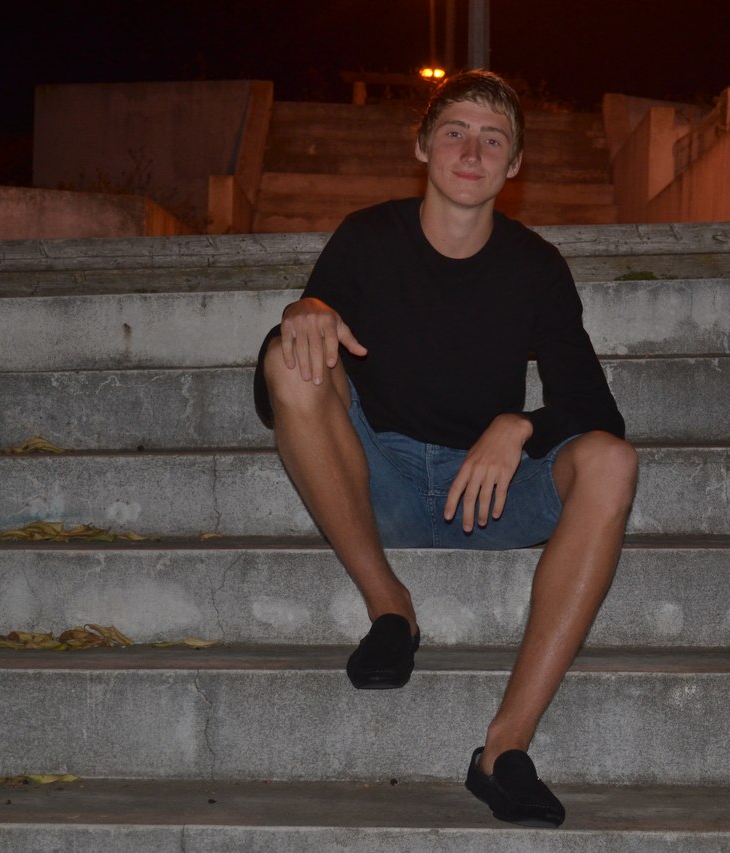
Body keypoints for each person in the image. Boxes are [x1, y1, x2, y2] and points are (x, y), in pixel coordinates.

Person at [253, 70, 638, 828]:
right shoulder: (367, 237)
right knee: (290, 356)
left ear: (514, 164)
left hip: (484, 496)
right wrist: (304, 310)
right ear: (423, 146)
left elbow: (599, 413)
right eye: (455, 132)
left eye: (493, 139)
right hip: (378, 481)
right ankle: (390, 606)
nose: (472, 151)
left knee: (611, 461)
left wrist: (519, 425)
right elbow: (283, 394)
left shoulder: (536, 266)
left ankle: (504, 749)